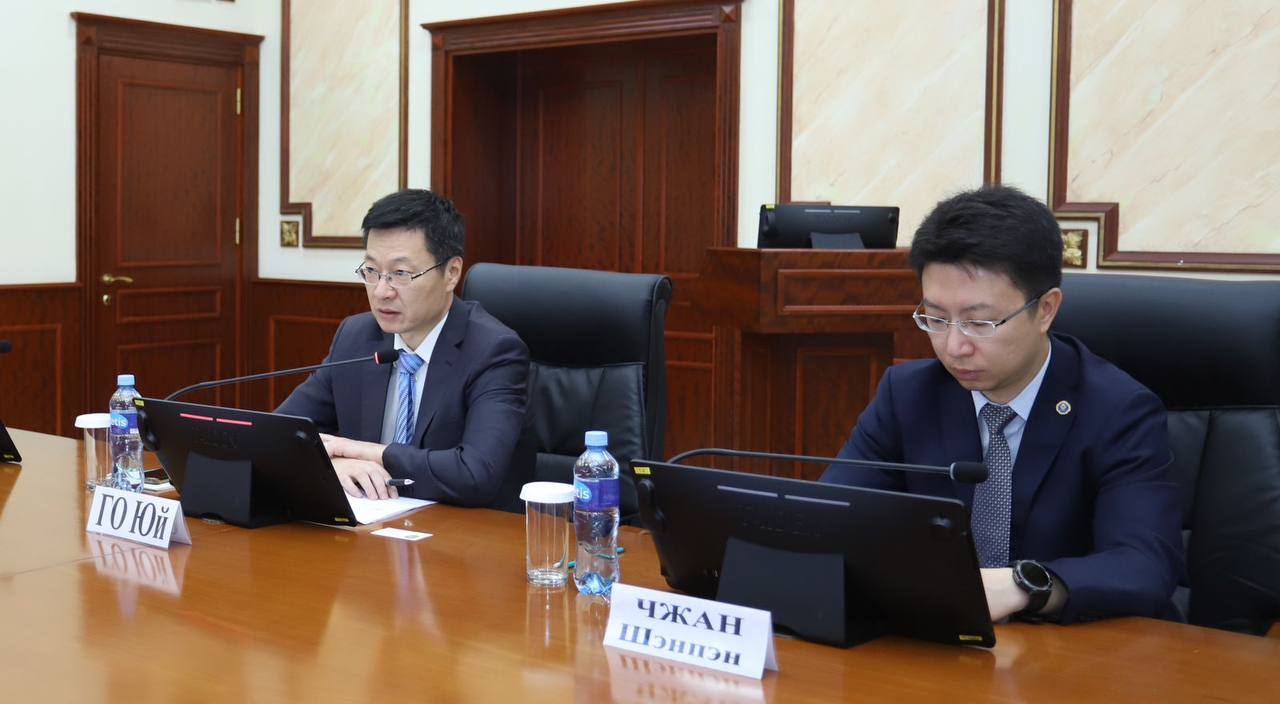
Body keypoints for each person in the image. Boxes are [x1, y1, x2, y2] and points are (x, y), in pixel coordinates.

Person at [821, 185, 1184, 624]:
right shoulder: (909, 394)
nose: (953, 346)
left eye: (979, 322)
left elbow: (1145, 565)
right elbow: (831, 520)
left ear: (1045, 310)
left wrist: (1021, 586)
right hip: (940, 642)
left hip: (1070, 650)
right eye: (936, 318)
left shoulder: (1118, 411)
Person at [277, 189, 530, 508]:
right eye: (371, 271)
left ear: (451, 273)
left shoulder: (494, 351)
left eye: (401, 274)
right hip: (371, 524)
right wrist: (334, 463)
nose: (381, 291)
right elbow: (280, 434)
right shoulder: (356, 337)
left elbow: (474, 473)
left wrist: (368, 453)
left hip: (461, 528)